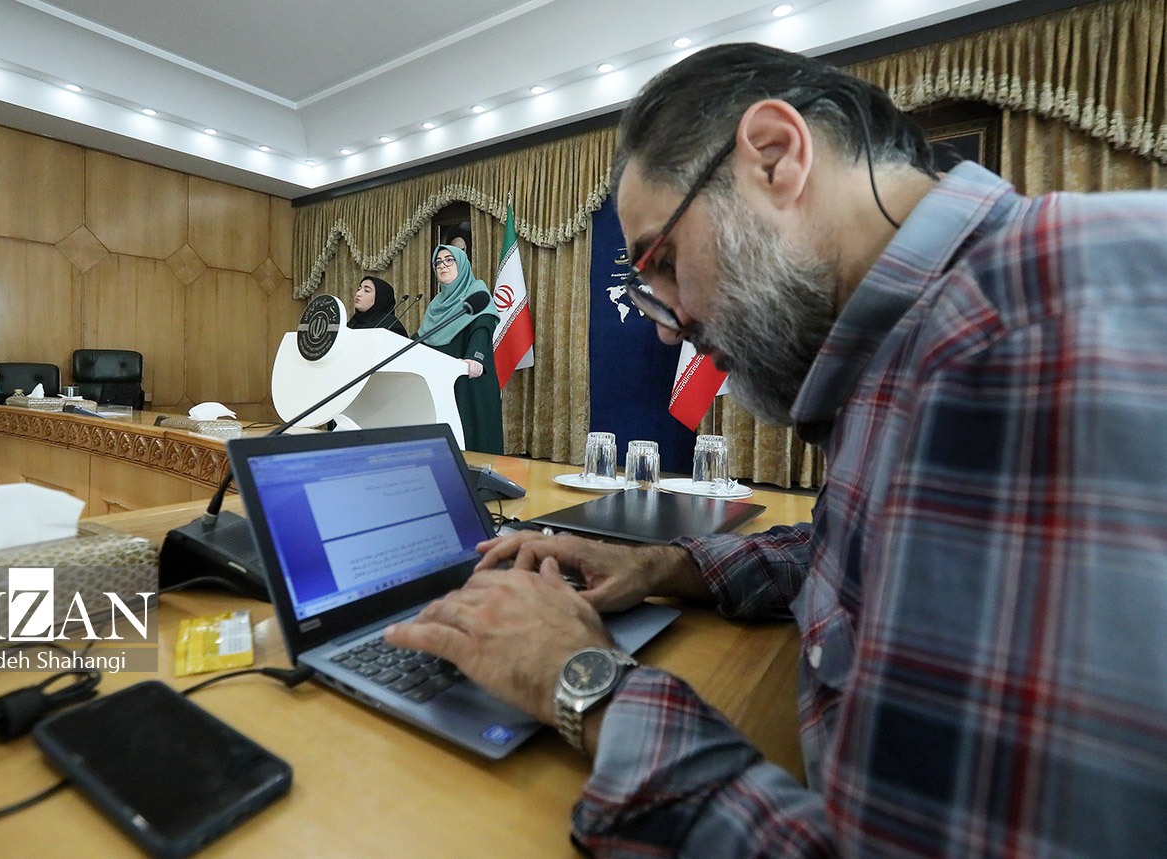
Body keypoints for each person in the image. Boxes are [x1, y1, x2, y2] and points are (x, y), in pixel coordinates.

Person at [386, 43, 1167, 856]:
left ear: (775, 157)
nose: (669, 325)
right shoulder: (931, 331)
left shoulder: (1016, 345)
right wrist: (665, 566)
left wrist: (584, 679)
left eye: (664, 261)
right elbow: (858, 548)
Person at [417, 245, 503, 454]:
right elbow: (424, 338)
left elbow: (483, 326)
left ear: (462, 265)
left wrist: (475, 357)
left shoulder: (476, 293)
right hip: (441, 380)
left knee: (473, 435)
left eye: (449, 260)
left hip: (470, 376)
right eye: (438, 262)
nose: (442, 265)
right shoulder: (436, 305)